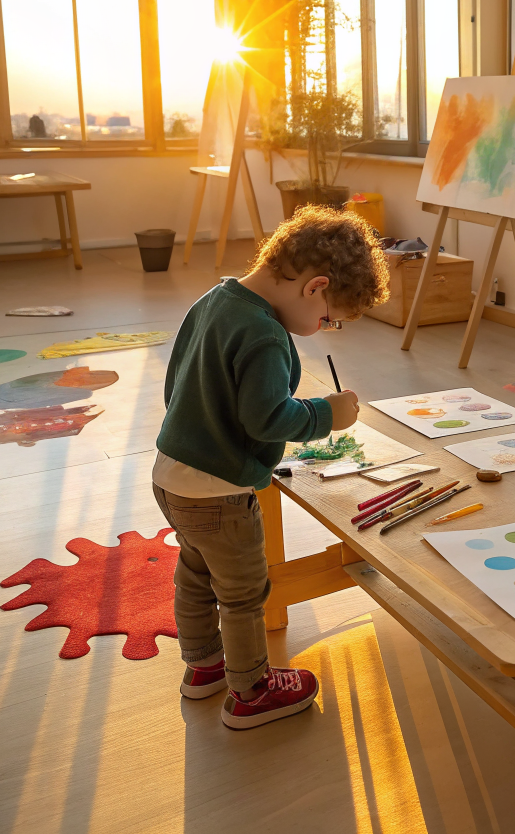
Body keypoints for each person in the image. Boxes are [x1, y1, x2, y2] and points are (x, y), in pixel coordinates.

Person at [153, 206, 389, 729]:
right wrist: (328, 413)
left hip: (171, 474)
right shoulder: (264, 334)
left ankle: (203, 669)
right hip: (219, 491)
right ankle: (251, 692)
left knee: (195, 573)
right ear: (315, 287)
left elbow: (179, 387)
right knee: (242, 594)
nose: (324, 328)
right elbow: (265, 420)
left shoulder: (215, 299)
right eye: (330, 318)